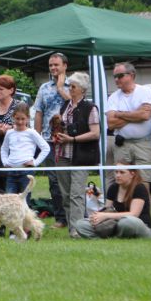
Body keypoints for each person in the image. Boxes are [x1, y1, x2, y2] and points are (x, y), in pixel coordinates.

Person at [54, 72, 100, 238]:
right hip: (63, 155)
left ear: (82, 89)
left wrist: (72, 139)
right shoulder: (65, 106)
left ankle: (78, 230)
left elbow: (95, 133)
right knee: (65, 195)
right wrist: (58, 134)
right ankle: (72, 228)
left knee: (76, 194)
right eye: (69, 86)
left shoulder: (90, 108)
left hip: (82, 156)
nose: (70, 89)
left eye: (73, 86)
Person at [106, 62, 151, 192]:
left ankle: (143, 212)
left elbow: (145, 115)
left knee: (144, 183)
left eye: (120, 75)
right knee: (123, 183)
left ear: (132, 75)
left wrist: (119, 114)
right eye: (115, 76)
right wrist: (136, 113)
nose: (116, 79)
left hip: (144, 144)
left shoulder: (145, 91)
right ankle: (125, 212)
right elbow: (111, 124)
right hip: (122, 144)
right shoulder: (113, 97)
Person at [33, 52, 70, 229]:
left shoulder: (74, 85)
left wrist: (62, 89)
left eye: (56, 65)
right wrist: (37, 137)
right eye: (51, 65)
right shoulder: (44, 88)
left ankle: (75, 214)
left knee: (70, 179)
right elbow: (38, 112)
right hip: (48, 140)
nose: (53, 68)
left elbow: (77, 105)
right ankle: (60, 218)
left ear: (65, 66)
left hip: (69, 139)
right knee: (54, 180)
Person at [76, 161, 151, 239]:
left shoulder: (139, 188)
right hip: (115, 225)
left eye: (122, 172)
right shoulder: (113, 188)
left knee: (127, 222)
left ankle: (113, 237)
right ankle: (111, 238)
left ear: (132, 174)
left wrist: (106, 215)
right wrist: (97, 216)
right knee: (81, 224)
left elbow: (134, 215)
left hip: (139, 226)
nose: (118, 175)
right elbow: (107, 209)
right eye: (116, 172)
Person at [0, 102, 50, 204]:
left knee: (25, 203)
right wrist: (5, 162)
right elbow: (3, 149)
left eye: (23, 119)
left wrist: (35, 163)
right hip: (11, 172)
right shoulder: (9, 133)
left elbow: (46, 148)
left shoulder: (32, 133)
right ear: (13, 117)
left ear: (27, 118)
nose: (20, 121)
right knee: (9, 202)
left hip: (26, 173)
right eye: (17, 118)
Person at [0, 74, 19, 191]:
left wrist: (10, 129)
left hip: (13, 148)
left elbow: (25, 126)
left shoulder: (19, 106)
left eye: (1, 89)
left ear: (11, 90)